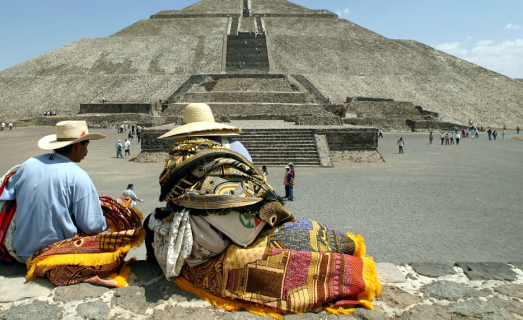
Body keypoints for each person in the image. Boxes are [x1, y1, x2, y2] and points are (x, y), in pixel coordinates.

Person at [144, 103, 380, 316]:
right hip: (256, 222)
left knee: (152, 223)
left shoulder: (180, 155)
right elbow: (257, 183)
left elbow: (173, 202)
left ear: (186, 129)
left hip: (210, 240)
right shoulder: (235, 145)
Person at [0, 121, 144, 287]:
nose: (87, 151)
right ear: (76, 146)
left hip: (20, 249)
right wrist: (115, 211)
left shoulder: (28, 164)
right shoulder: (78, 176)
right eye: (86, 145)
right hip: (52, 254)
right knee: (120, 239)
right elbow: (92, 226)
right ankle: (75, 272)